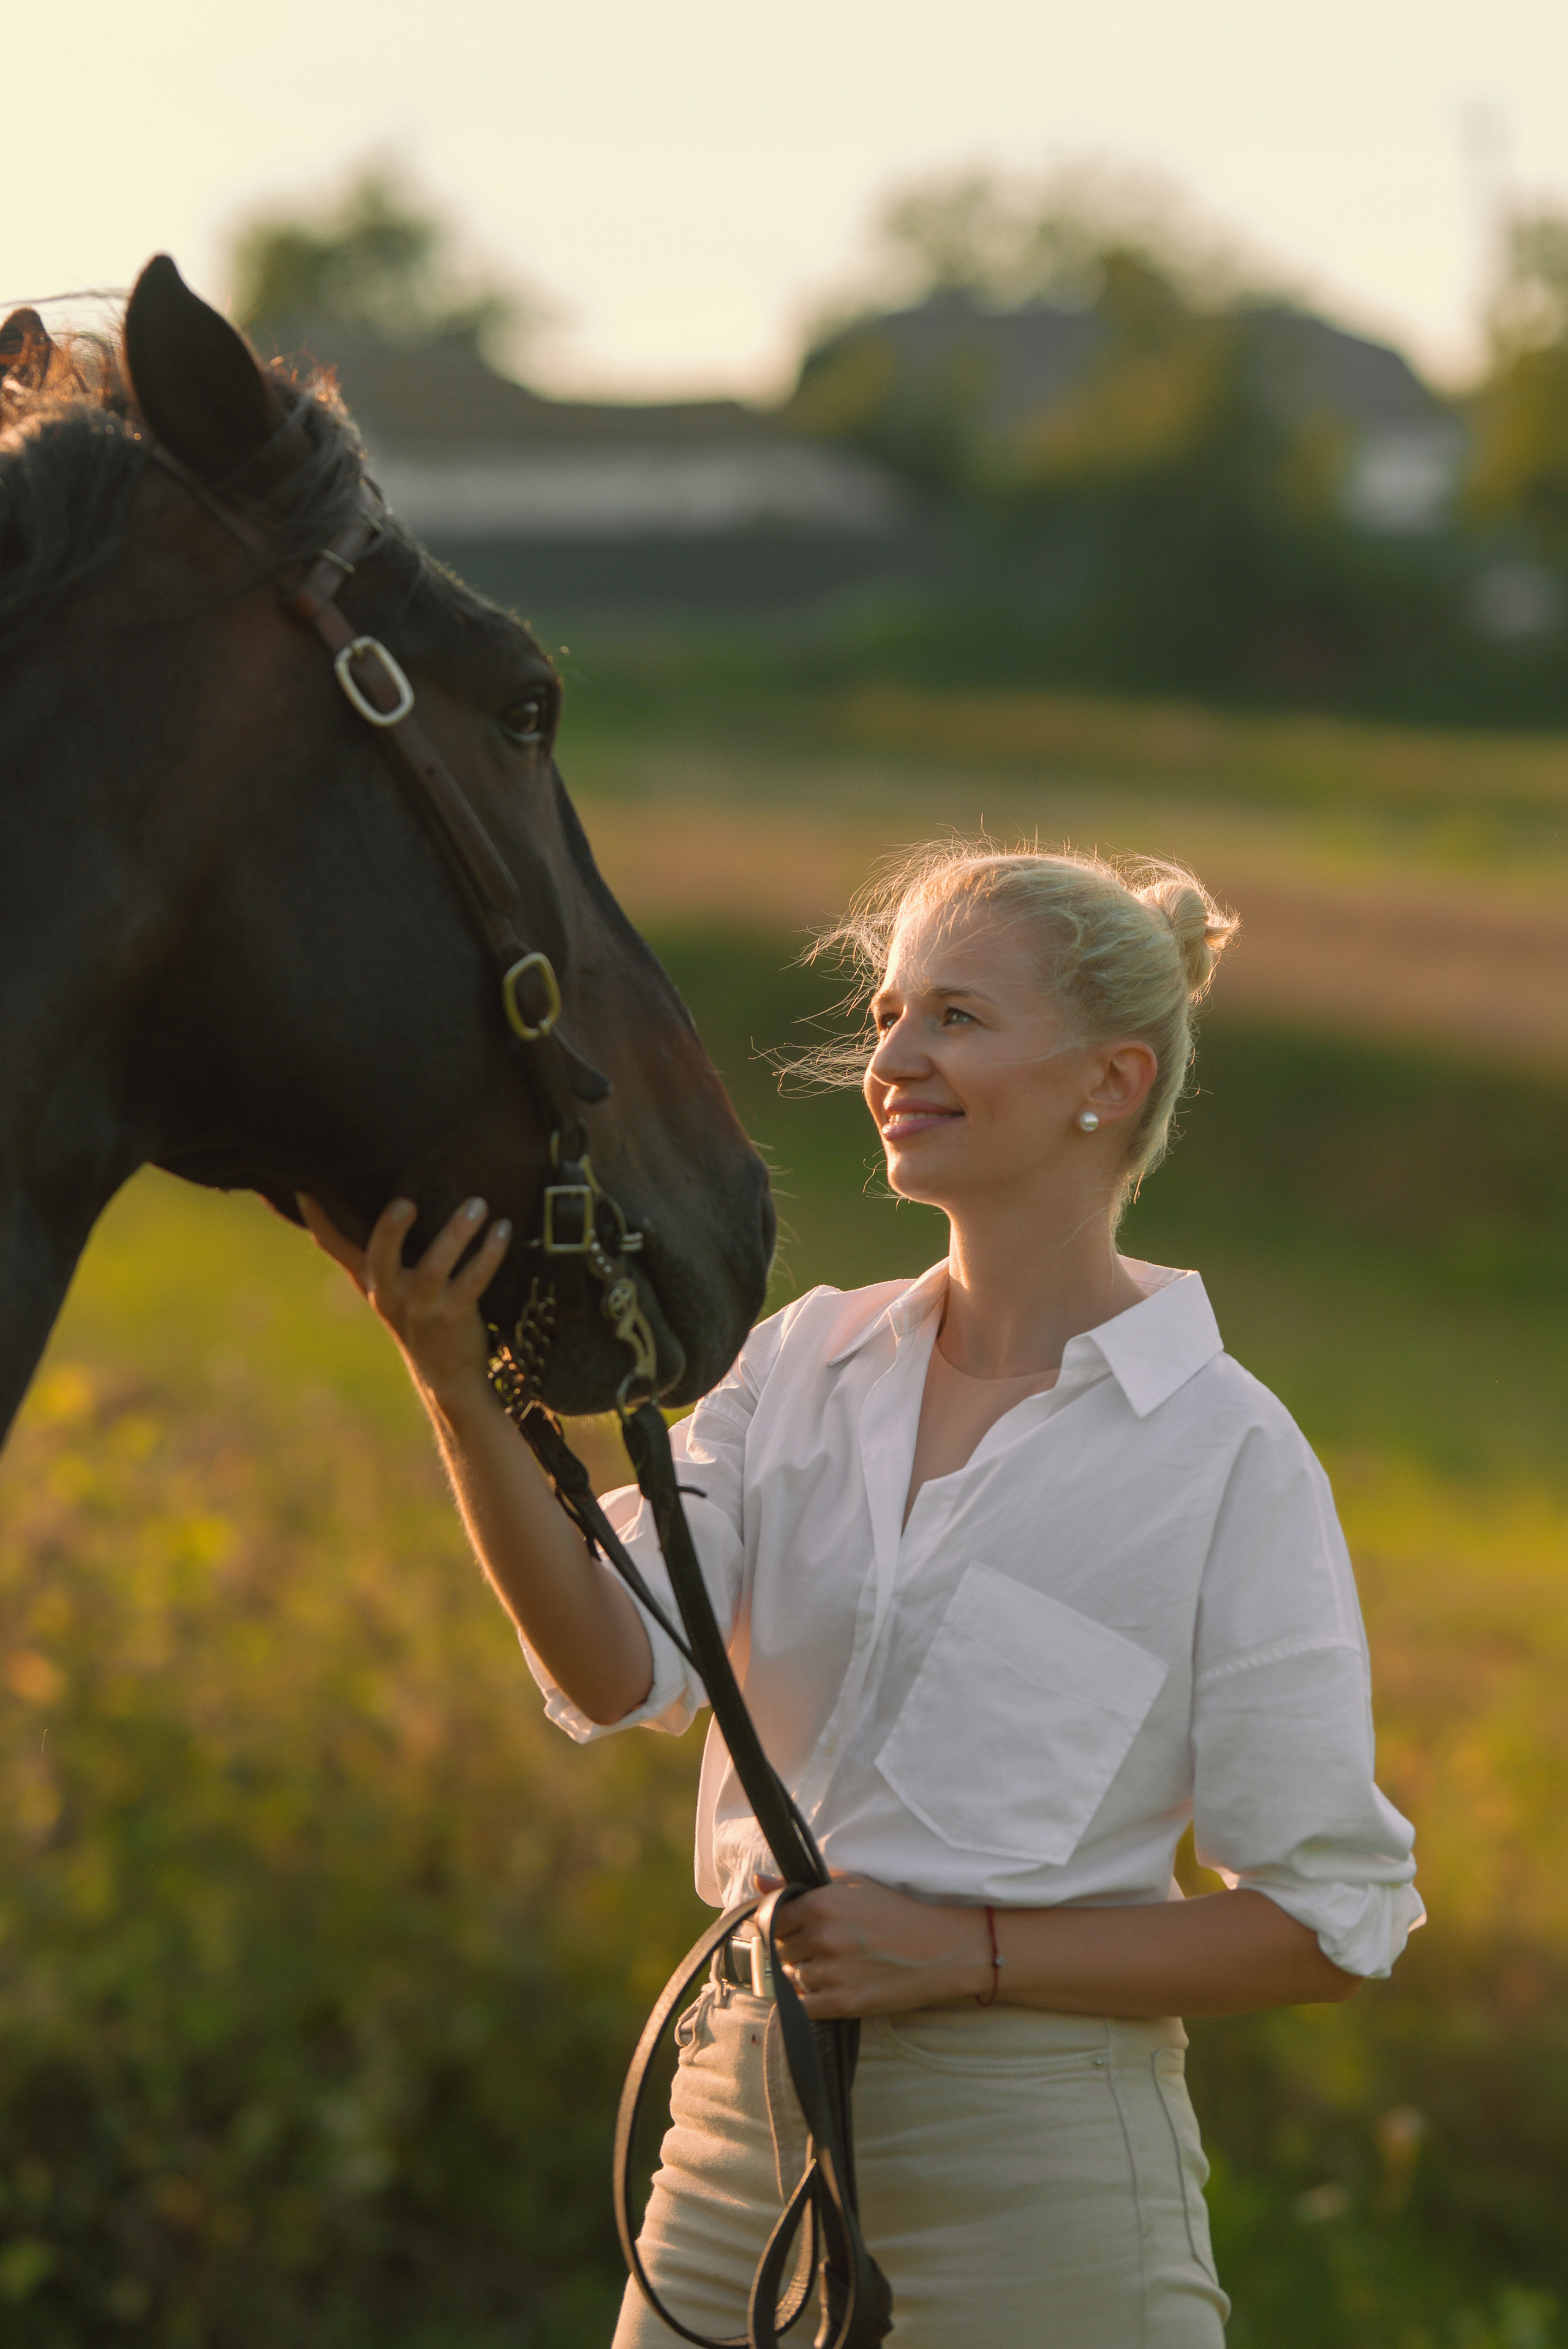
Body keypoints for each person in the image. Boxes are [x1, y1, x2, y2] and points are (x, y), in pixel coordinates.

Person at [303, 844, 1423, 2348]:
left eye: (953, 1017)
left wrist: (969, 1953)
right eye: (889, 1014)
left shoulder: (1226, 1457)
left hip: (1041, 2190)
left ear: (1110, 1077)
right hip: (732, 2146)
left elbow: (1323, 1923)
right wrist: (455, 1385)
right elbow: (617, 1660)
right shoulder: (798, 1365)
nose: (892, 1057)